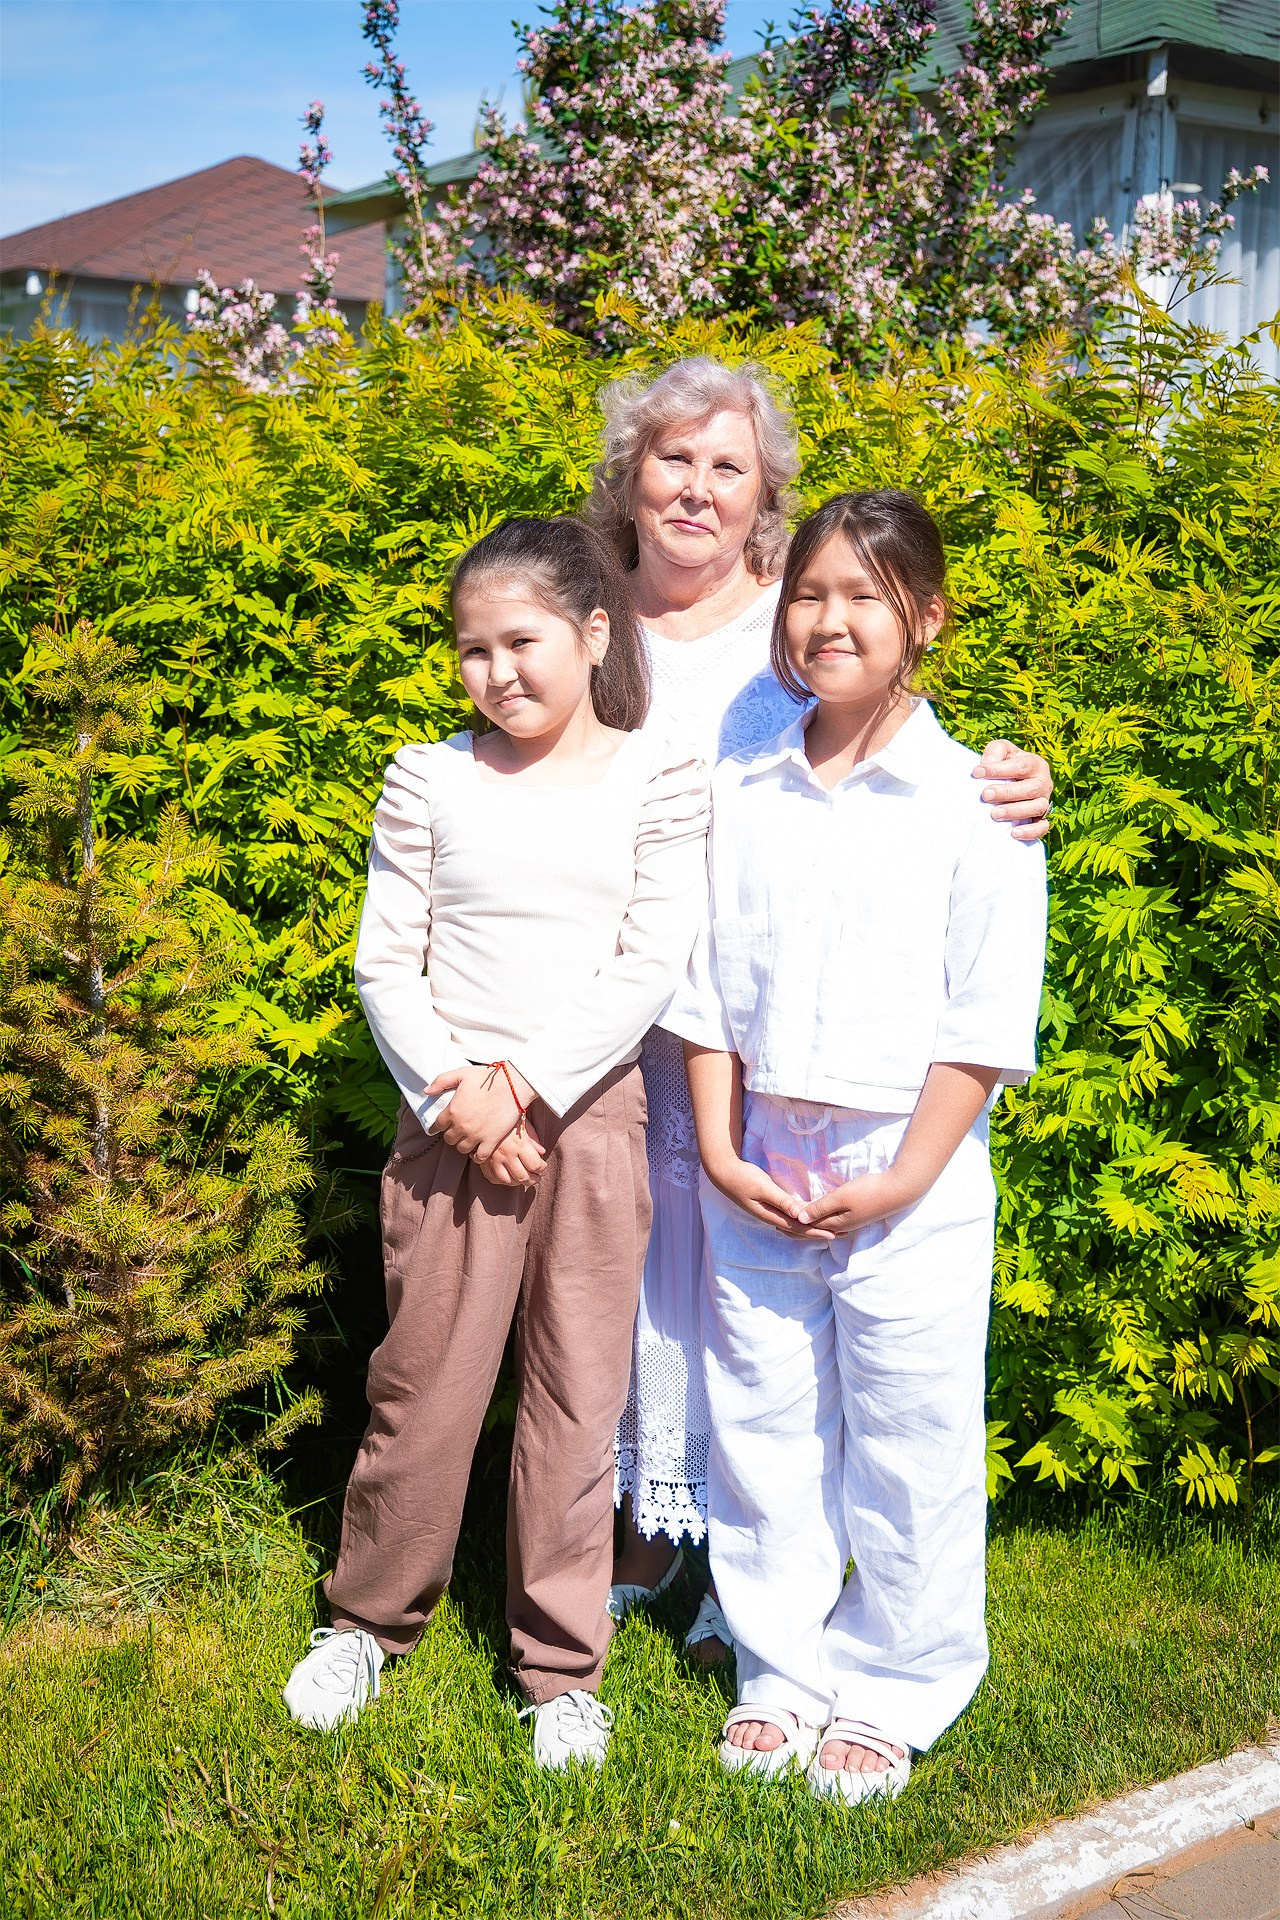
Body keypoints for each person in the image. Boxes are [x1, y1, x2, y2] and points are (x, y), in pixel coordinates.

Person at [591, 359, 1054, 1658]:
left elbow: (898, 743)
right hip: (635, 1022)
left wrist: (1010, 777)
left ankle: (800, 1610)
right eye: (672, 459)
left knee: (774, 1337)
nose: (694, 486)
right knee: (677, 1329)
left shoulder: (793, 634)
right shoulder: (581, 607)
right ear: (630, 472)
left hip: (782, 1055)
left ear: (763, 499)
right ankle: (663, 1559)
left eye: (725, 466)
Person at [282, 517, 710, 1769]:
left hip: (586, 1122)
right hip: (449, 1127)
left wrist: (522, 1087)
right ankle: (367, 1620)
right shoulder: (428, 775)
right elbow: (385, 958)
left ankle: (558, 1667)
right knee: (424, 1387)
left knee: (579, 1399)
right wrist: (458, 1097)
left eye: (520, 641)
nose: (497, 673)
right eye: (471, 651)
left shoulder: (657, 773)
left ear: (590, 634)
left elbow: (648, 957)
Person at [665, 489, 1047, 1802]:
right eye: (810, 594)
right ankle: (781, 1666)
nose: (828, 621)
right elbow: (705, 985)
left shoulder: (975, 799)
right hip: (758, 1156)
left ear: (925, 620)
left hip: (909, 1170)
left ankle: (896, 1682)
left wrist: (903, 1176)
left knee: (908, 1434)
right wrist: (719, 1151)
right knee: (763, 1426)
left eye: (864, 598)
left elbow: (987, 1019)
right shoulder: (747, 779)